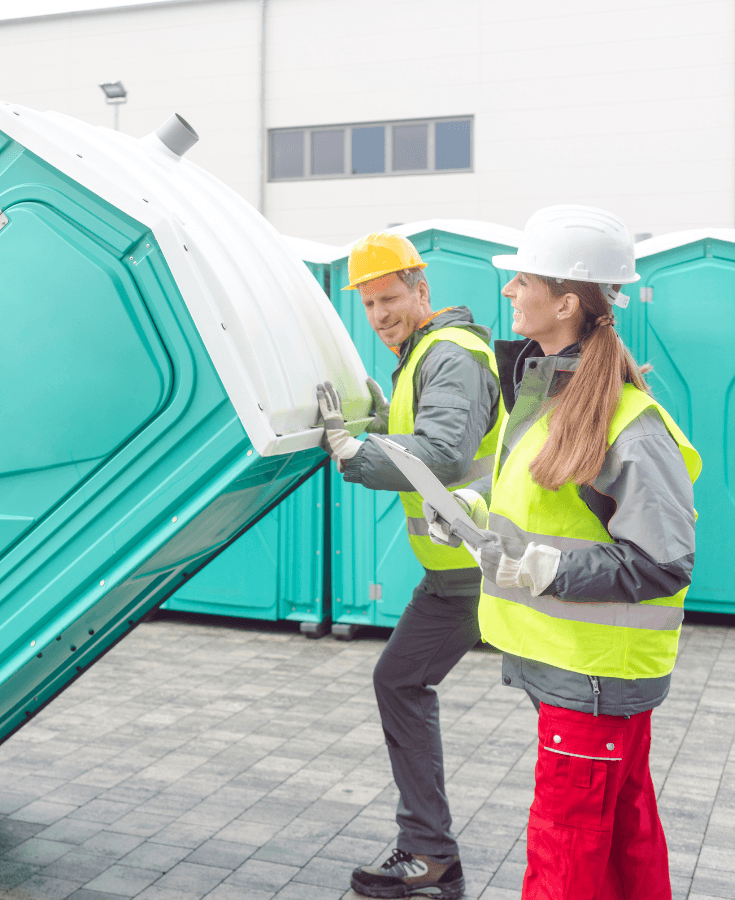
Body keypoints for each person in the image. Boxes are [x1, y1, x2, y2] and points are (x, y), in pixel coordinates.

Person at [425, 205, 700, 900]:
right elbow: (533, 498)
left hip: (597, 676)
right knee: (624, 839)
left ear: (567, 302)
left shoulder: (629, 425)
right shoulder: (548, 393)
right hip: (575, 670)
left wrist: (552, 570)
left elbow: (664, 561)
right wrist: (469, 511)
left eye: (523, 280)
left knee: (566, 852)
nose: (509, 290)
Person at [315, 231, 503, 900]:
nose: (379, 315)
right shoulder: (424, 354)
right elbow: (428, 435)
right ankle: (430, 854)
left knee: (403, 680)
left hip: (478, 566)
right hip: (458, 571)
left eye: (389, 299)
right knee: (398, 680)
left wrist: (355, 453)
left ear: (422, 291)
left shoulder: (448, 354)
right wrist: (380, 417)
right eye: (368, 304)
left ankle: (430, 852)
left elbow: (445, 454)